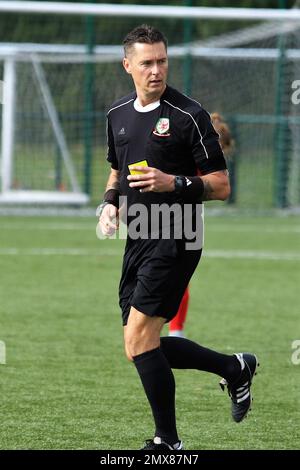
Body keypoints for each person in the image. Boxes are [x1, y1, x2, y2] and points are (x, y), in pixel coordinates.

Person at [97, 25, 258, 451]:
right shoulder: (117, 115)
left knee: (139, 340)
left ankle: (167, 441)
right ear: (127, 65)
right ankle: (234, 367)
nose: (156, 70)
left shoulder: (190, 115)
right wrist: (110, 203)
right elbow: (117, 168)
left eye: (162, 60)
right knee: (138, 347)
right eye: (147, 62)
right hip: (139, 237)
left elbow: (221, 186)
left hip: (177, 236)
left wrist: (174, 183)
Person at [169, 113, 235, 338]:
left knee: (179, 276)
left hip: (188, 218)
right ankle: (172, 331)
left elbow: (212, 191)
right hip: (163, 215)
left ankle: (175, 332)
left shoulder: (208, 165)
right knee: (168, 275)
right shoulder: (190, 149)